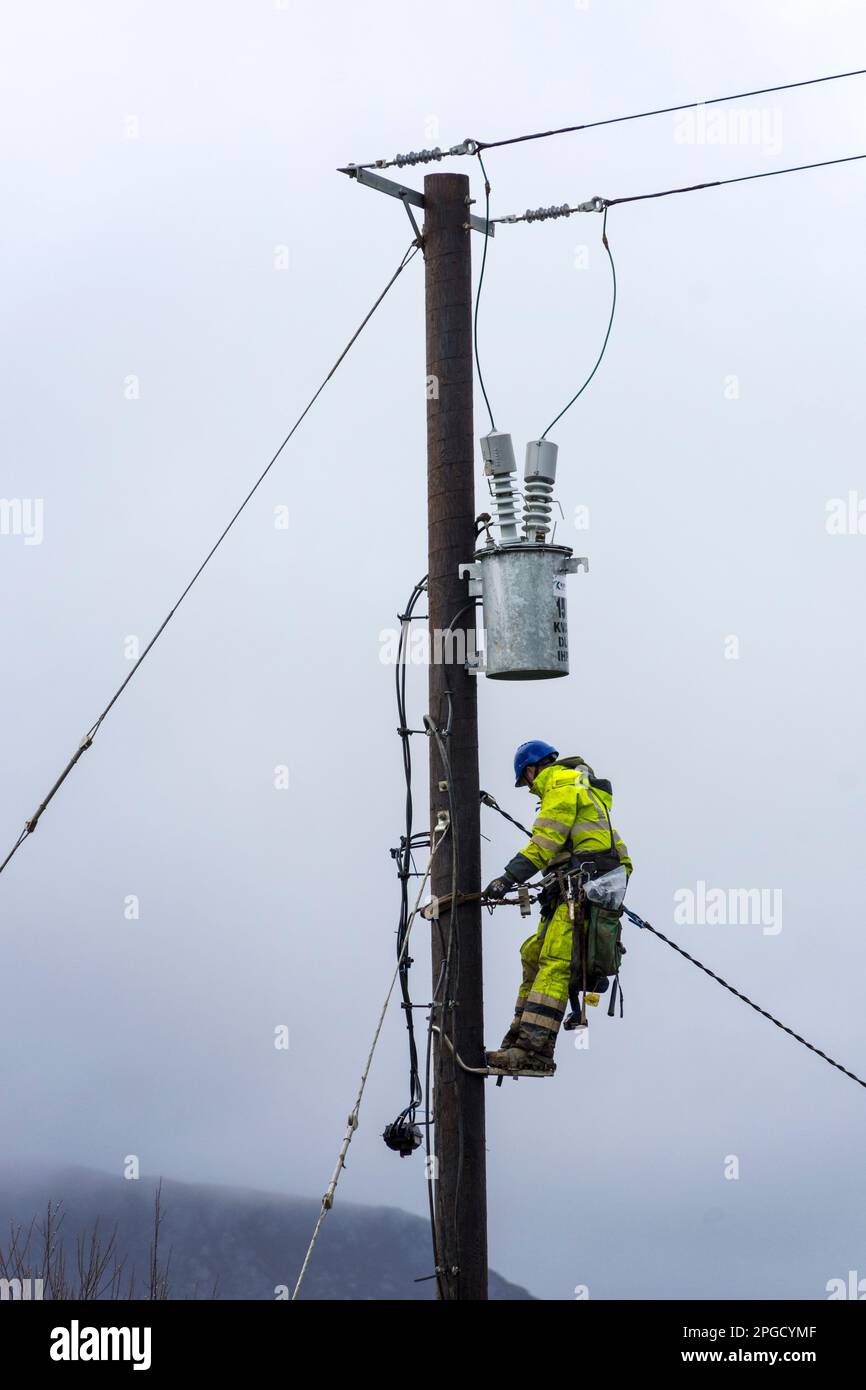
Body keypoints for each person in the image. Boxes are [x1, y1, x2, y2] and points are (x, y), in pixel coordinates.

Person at [483, 740, 633, 1074]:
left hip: (582, 892)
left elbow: (543, 843)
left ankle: (535, 1053)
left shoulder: (562, 786)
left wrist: (506, 879)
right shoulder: (579, 791)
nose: (530, 789)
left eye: (527, 781)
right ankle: (516, 1042)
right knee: (533, 955)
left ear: (532, 769)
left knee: (554, 963)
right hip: (575, 889)